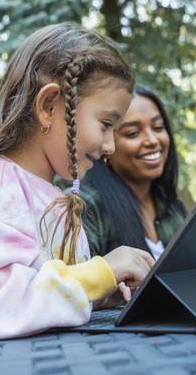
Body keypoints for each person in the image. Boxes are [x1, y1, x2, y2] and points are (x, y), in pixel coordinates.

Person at [0, 23, 155, 349]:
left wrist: (101, 292)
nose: (110, 147)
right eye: (105, 125)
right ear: (48, 106)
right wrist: (97, 274)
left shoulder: (51, 197)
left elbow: (37, 302)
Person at [80, 85, 188, 260]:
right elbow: (75, 283)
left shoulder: (172, 206)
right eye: (133, 133)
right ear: (106, 145)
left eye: (158, 127)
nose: (153, 140)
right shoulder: (85, 208)